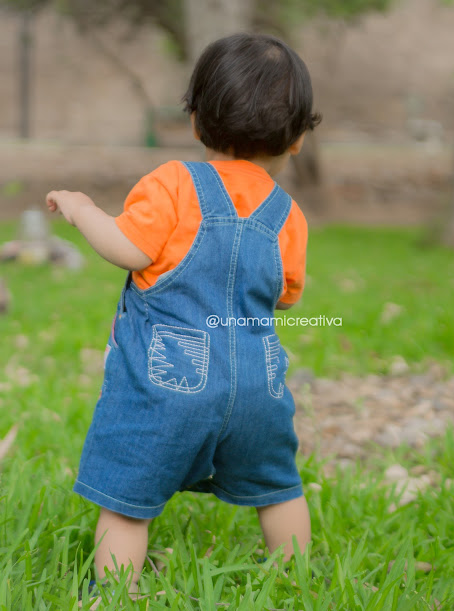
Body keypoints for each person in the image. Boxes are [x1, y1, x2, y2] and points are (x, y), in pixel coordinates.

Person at [45, 32, 321, 593]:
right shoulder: (287, 214)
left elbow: (128, 248)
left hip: (170, 382)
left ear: (195, 122)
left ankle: (118, 595)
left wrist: (81, 209)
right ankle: (295, 579)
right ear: (295, 142)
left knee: (127, 498)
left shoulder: (174, 185)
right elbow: (288, 295)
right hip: (257, 388)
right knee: (279, 486)